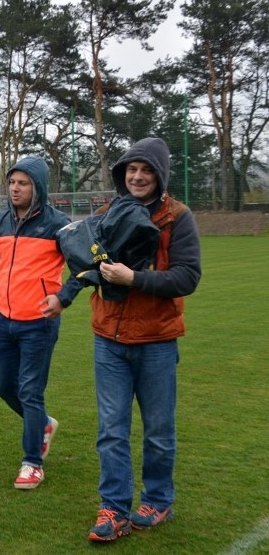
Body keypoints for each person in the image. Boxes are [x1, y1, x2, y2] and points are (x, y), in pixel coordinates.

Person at [85, 137, 201, 542]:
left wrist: (134, 278)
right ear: (122, 175)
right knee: (111, 430)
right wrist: (65, 293)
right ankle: (113, 509)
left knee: (157, 430)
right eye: (131, 169)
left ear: (160, 175)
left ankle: (157, 500)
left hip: (156, 340)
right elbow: (87, 266)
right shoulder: (107, 213)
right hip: (109, 340)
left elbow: (187, 277)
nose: (137, 176)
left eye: (146, 170)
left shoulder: (178, 217)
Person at [0, 157, 80, 490]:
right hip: (3, 320)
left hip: (39, 323)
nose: (15, 188)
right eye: (12, 182)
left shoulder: (59, 225)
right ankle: (42, 425)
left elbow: (86, 267)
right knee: (3, 386)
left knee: (30, 391)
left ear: (38, 187)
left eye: (23, 183)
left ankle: (32, 462)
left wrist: (63, 298)